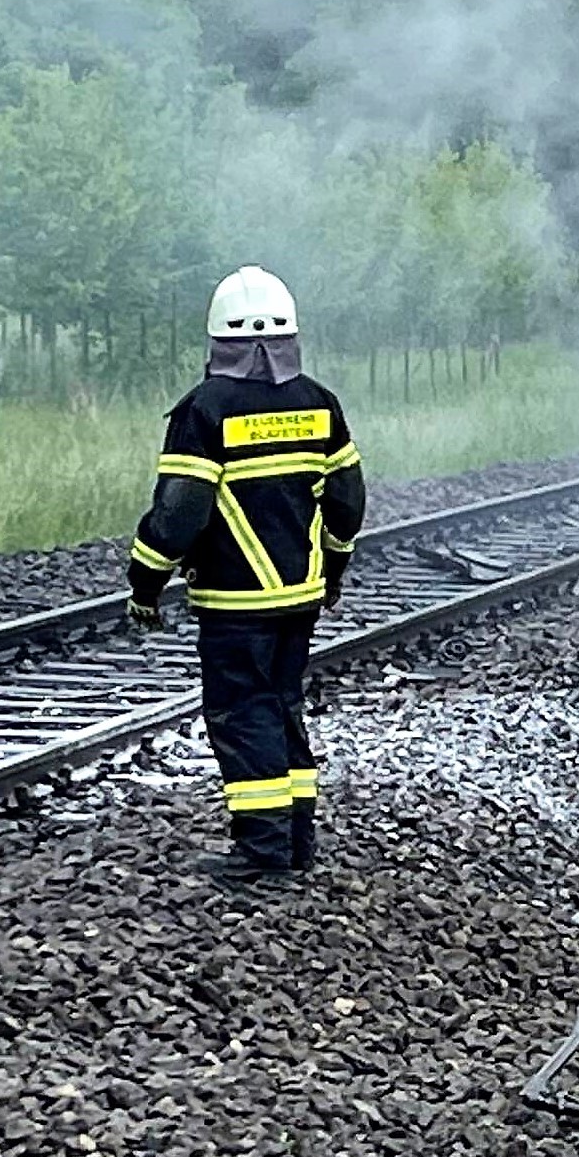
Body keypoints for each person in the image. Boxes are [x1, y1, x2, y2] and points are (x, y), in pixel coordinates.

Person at [128, 267, 364, 882]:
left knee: (242, 711)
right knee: (283, 704)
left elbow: (179, 516)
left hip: (237, 599)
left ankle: (263, 854)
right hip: (301, 595)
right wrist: (334, 565)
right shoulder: (319, 402)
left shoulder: (205, 411)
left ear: (216, 341)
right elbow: (347, 501)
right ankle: (297, 841)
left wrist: (144, 583)